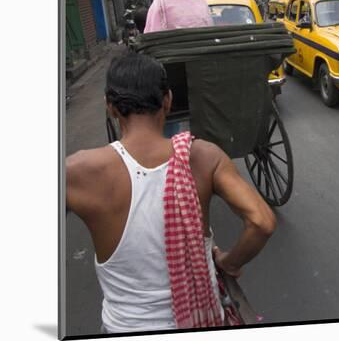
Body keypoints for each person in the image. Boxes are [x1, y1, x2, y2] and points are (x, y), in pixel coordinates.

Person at [66, 53, 276, 333]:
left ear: (110, 107)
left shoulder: (78, 170)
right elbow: (262, 222)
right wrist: (228, 261)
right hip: (203, 318)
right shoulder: (204, 156)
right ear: (167, 100)